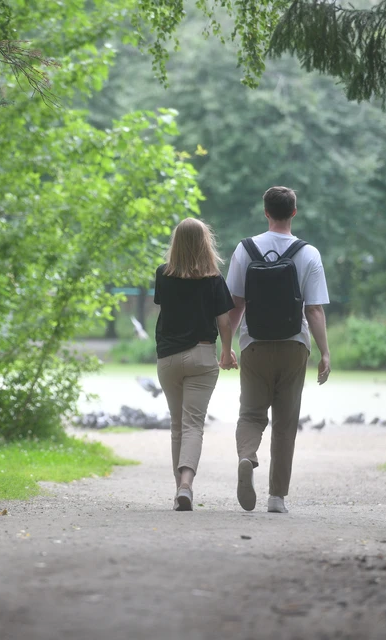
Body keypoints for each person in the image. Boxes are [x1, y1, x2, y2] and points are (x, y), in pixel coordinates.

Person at [224, 186, 331, 515]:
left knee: (251, 414)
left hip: (253, 345)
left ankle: (247, 455)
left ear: (266, 212)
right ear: (294, 213)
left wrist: (226, 347)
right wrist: (325, 353)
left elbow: (235, 305)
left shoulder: (245, 250)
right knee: (285, 422)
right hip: (293, 345)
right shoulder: (308, 253)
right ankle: (276, 498)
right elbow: (313, 310)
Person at [154, 217, 237, 511]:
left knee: (177, 425)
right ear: (206, 243)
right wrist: (227, 351)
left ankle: (180, 492)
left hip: (168, 358)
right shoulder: (213, 279)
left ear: (175, 243)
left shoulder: (163, 274)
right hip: (202, 355)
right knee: (193, 425)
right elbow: (224, 321)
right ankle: (187, 485)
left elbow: (165, 309)